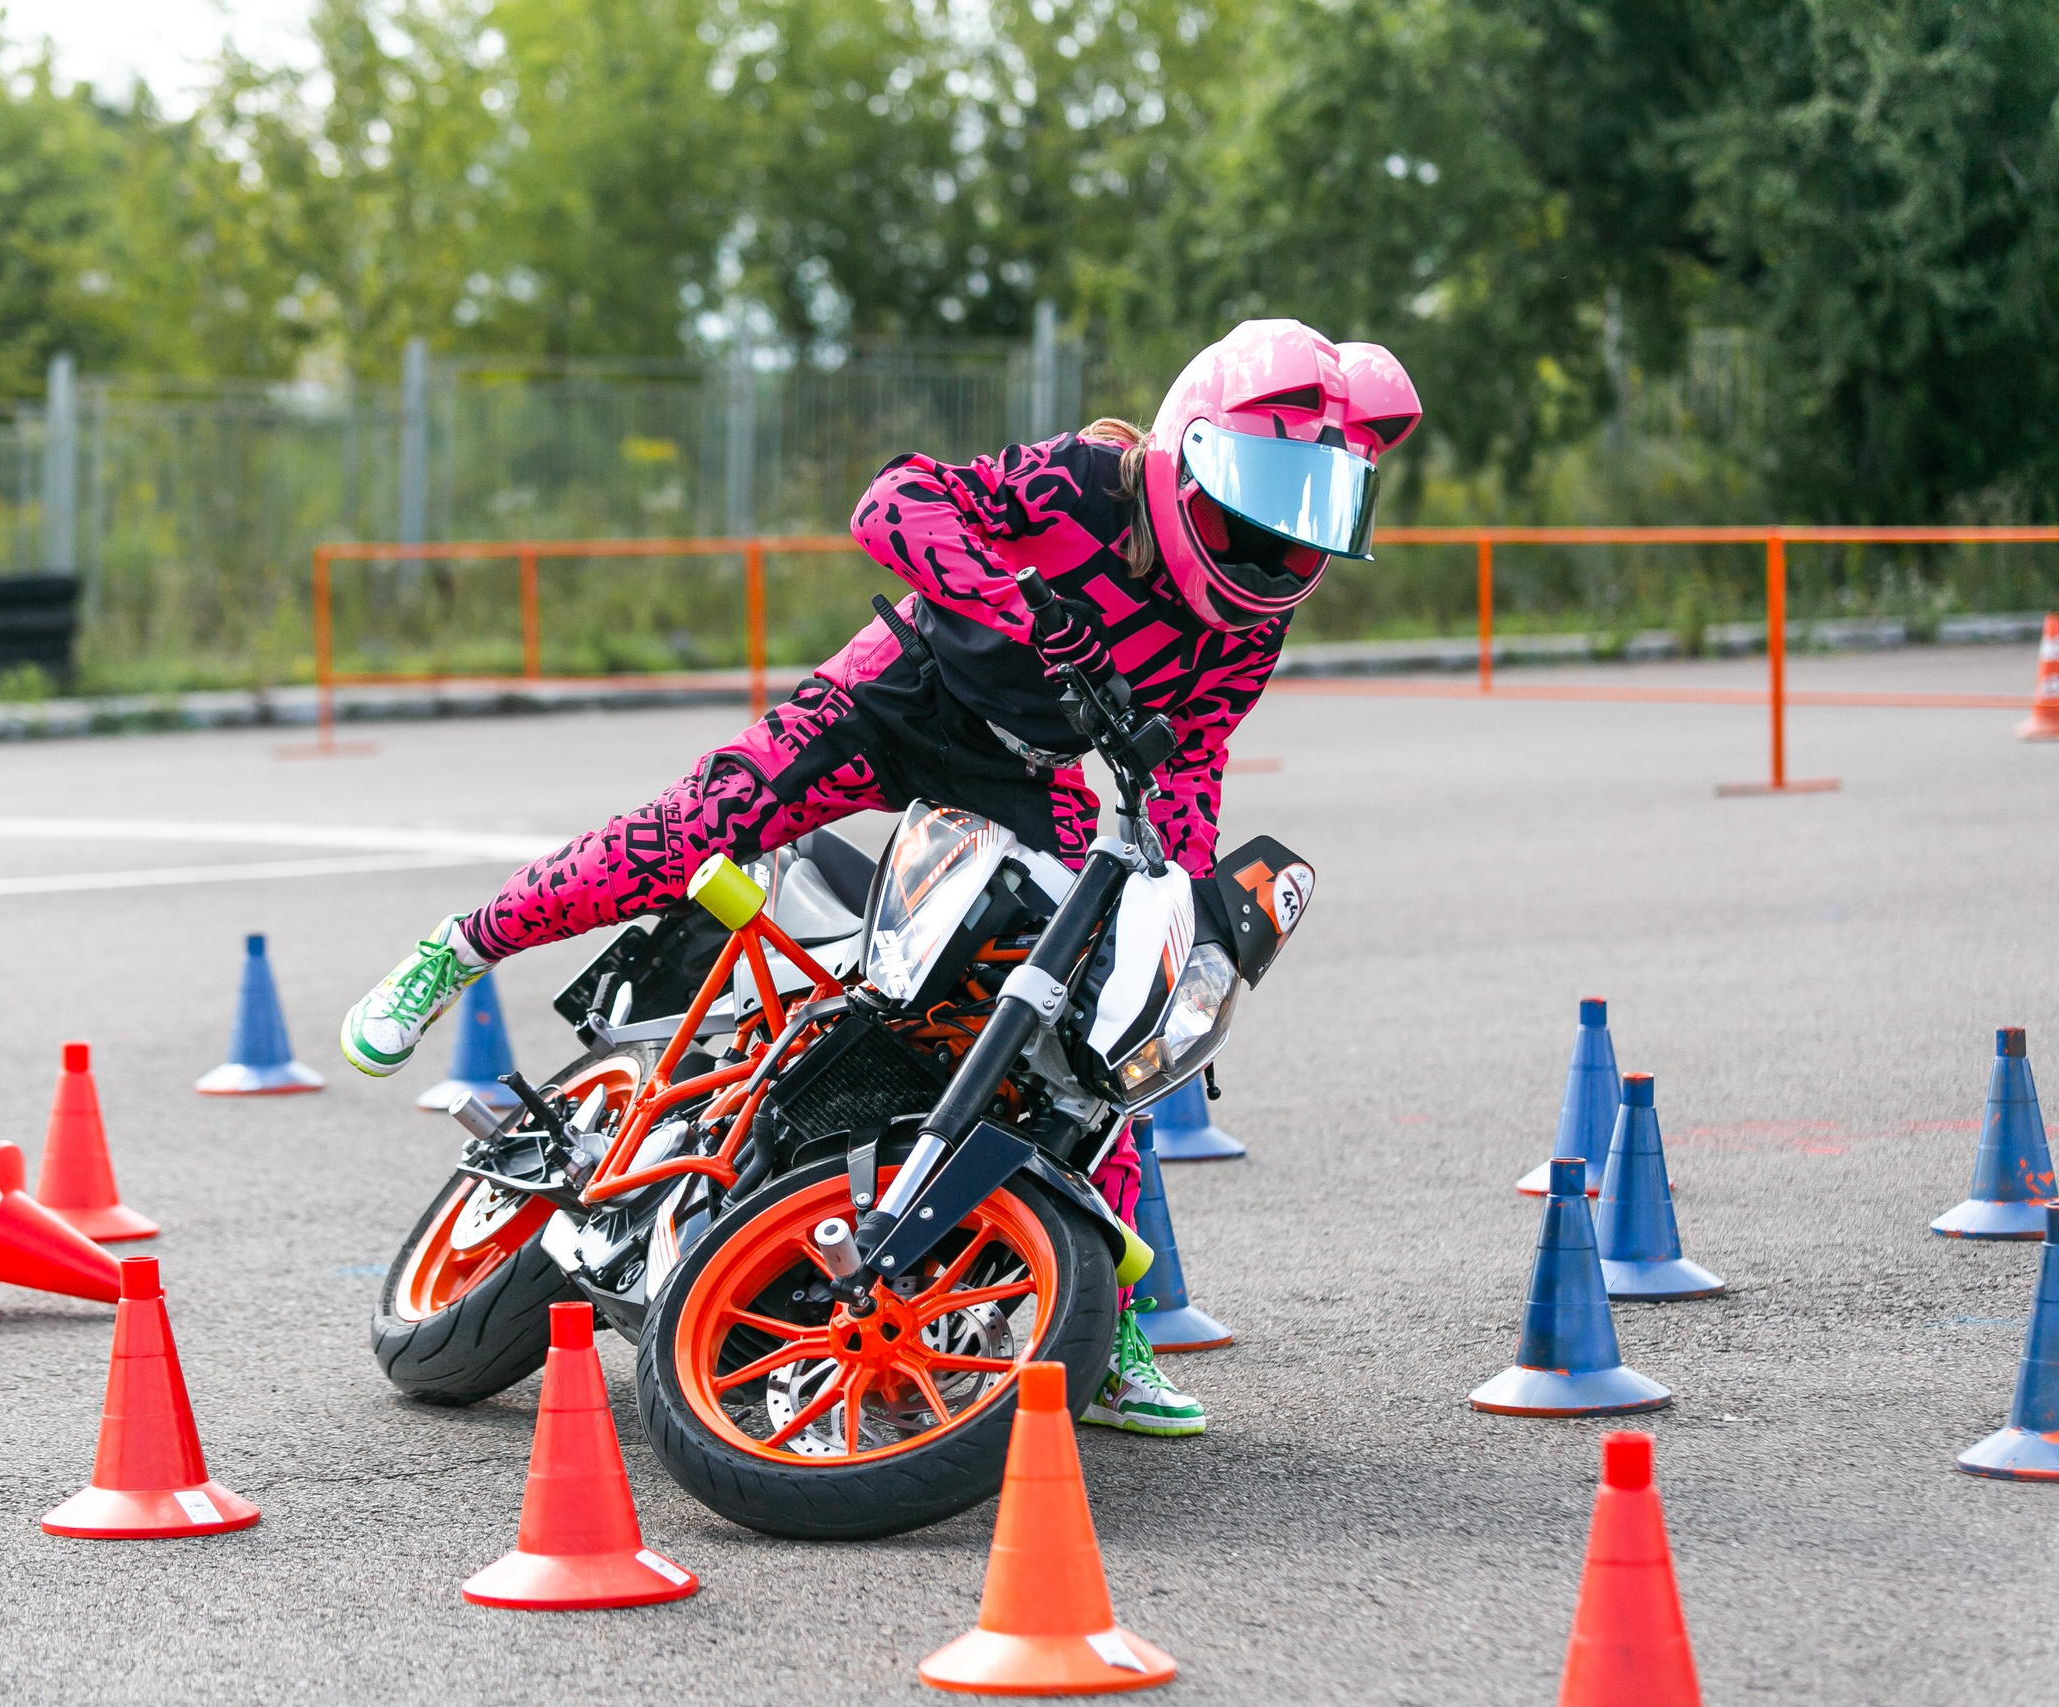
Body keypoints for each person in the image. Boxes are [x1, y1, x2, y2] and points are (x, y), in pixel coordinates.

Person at [342, 317, 1423, 1435]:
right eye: (1259, 493)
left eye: (1309, 510)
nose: (1271, 536)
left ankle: (1102, 1328)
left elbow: (1190, 759)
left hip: (1028, 775)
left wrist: (1170, 923)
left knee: (1095, 1040)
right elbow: (894, 500)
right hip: (892, 699)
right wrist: (1021, 614)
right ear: (1183, 451)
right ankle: (458, 948)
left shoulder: (1249, 631)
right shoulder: (1086, 484)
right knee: (689, 830)